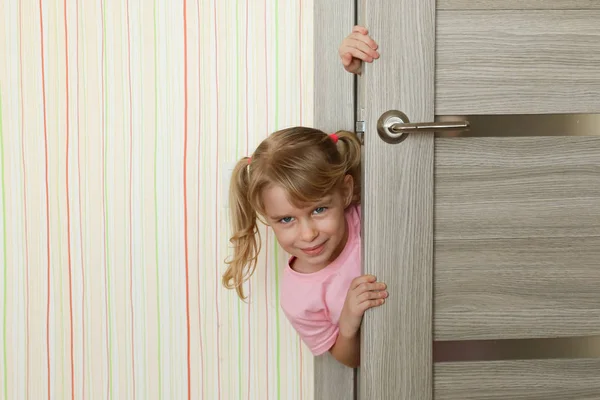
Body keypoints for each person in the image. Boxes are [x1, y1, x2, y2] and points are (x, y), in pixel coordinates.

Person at [222, 127, 388, 368]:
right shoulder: (298, 299)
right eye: (286, 219)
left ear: (344, 191)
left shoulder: (368, 217)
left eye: (319, 210)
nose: (308, 234)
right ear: (268, 217)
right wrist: (348, 322)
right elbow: (348, 360)